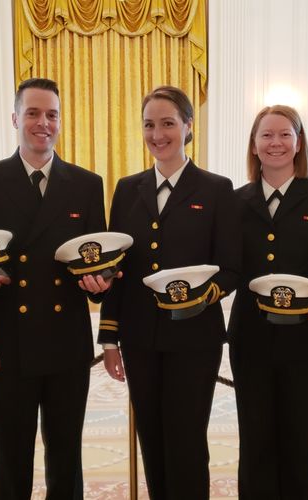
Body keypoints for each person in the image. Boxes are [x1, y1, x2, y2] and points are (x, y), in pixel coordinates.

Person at [0, 77, 112, 500]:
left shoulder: (86, 184)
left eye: (51, 115)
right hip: (8, 345)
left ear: (60, 122)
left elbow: (96, 262)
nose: (43, 123)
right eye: (33, 113)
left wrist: (100, 286)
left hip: (66, 345)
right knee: (11, 458)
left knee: (66, 457)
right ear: (15, 118)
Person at [97, 85, 240, 499]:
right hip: (140, 337)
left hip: (195, 337)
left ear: (188, 126)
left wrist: (198, 297)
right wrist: (109, 338)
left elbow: (231, 268)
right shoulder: (127, 189)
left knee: (186, 440)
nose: (157, 135)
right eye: (149, 125)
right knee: (152, 438)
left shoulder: (216, 189)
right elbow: (117, 268)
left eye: (167, 124)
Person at [228, 105, 308, 499]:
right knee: (255, 439)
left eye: (285, 134)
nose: (275, 143)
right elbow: (227, 265)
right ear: (254, 144)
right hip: (251, 338)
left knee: (302, 438)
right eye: (266, 135)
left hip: (307, 339)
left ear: (299, 143)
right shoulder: (234, 201)